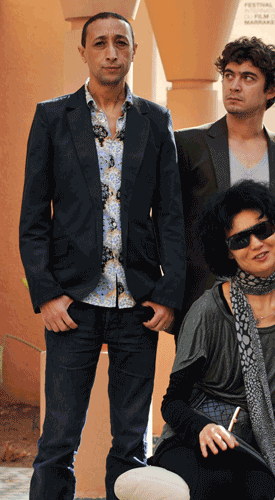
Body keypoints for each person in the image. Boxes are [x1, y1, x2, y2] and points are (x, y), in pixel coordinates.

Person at [18, 12, 185, 500]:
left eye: (120, 42)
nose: (111, 52)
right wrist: (47, 295)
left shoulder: (156, 120)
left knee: (132, 443)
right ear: (85, 52)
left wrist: (168, 295)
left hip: (137, 306)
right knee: (58, 441)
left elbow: (171, 216)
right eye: (100, 43)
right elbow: (33, 221)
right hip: (73, 305)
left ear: (132, 50)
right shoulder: (52, 117)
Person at [149, 180, 275, 499]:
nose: (257, 244)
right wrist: (202, 428)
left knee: (261, 488)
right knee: (217, 485)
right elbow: (172, 403)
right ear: (227, 250)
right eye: (241, 239)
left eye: (263, 229)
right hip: (197, 440)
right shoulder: (208, 312)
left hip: (256, 448)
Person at [175, 37, 275, 334]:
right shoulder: (187, 145)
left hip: (270, 305)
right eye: (229, 75)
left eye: (248, 78)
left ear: (270, 90)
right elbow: (169, 223)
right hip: (204, 300)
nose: (234, 86)